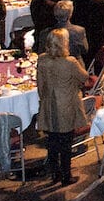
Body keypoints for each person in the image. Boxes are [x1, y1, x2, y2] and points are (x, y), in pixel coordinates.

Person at [35, 28, 91, 186]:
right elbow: (84, 77)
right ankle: (67, 175)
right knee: (66, 143)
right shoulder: (70, 62)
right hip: (66, 105)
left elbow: (40, 86)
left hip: (49, 105)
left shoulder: (42, 60)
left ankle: (55, 173)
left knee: (52, 141)